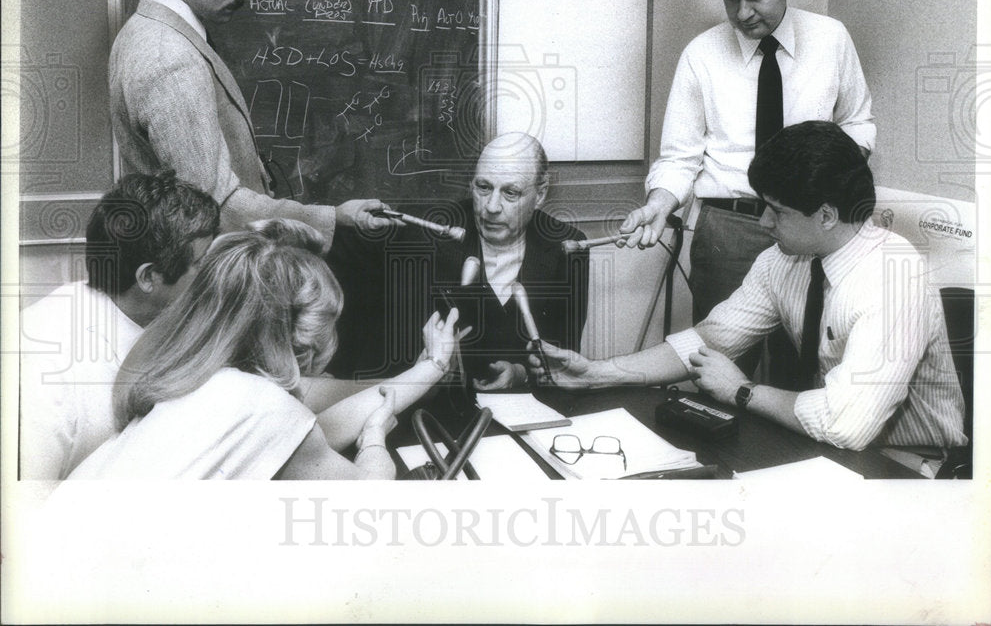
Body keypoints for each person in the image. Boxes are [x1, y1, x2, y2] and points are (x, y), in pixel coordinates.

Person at [535, 122, 966, 465]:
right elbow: (710, 338)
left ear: (828, 215)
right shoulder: (786, 258)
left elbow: (847, 423)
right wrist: (599, 372)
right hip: (832, 453)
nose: (762, 222)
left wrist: (742, 391)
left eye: (776, 210)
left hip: (911, 468)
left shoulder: (894, 275)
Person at [620, 0, 876, 358]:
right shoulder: (700, 54)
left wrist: (825, 176)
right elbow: (680, 157)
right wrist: (659, 205)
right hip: (729, 230)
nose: (742, 13)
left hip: (811, 224)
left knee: (807, 363)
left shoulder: (831, 39)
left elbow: (857, 123)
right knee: (718, 362)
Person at [68, 220, 463, 480]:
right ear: (301, 341)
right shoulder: (264, 406)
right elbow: (367, 510)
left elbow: (311, 433)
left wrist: (434, 365)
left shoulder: (194, 379)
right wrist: (374, 441)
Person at [109, 0, 392, 250]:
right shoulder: (170, 57)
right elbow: (213, 207)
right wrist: (332, 218)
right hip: (218, 274)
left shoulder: (145, 29)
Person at [328, 132, 589, 391]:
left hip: (517, 407)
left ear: (540, 194)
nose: (492, 206)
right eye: (483, 187)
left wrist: (520, 373)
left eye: (510, 193)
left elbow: (564, 353)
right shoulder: (425, 232)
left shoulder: (566, 247)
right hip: (429, 405)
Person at [19, 170, 220, 480]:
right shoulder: (44, 362)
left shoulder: (171, 317)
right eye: (201, 263)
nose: (214, 275)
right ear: (149, 277)